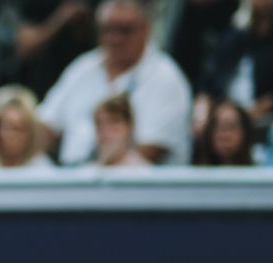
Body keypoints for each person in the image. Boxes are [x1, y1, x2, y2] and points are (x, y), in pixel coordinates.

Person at [37, 0, 193, 165]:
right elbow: (44, 127)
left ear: (146, 29)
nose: (115, 39)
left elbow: (150, 152)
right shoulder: (83, 68)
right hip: (71, 174)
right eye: (108, 30)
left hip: (134, 178)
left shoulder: (165, 78)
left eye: (125, 30)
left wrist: (91, 174)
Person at [197, 0, 273, 137]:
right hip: (220, 114)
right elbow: (208, 83)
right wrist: (203, 114)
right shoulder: (233, 36)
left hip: (258, 123)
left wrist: (240, 119)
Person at [13, 0, 96, 99]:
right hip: (40, 86)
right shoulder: (37, 4)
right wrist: (62, 17)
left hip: (79, 83)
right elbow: (25, 48)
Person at [0, 84, 55, 167]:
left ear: (30, 131)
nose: (10, 135)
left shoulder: (47, 171)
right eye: (5, 127)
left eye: (16, 128)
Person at [91, 93, 151, 164]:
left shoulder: (144, 169)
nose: (105, 133)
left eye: (113, 123)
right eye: (99, 125)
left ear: (129, 127)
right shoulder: (88, 169)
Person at [194, 97, 258, 161]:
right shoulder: (193, 166)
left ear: (245, 132)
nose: (224, 136)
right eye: (219, 127)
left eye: (230, 127)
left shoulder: (260, 167)